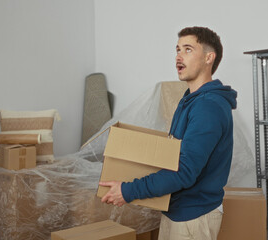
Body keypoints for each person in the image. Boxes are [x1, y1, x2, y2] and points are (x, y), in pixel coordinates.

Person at [99, 26, 237, 240]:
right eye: (177, 49)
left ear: (209, 57)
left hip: (193, 217)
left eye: (188, 49)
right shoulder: (190, 100)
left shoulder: (207, 106)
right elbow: (173, 154)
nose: (178, 56)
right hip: (179, 211)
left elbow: (184, 171)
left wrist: (128, 190)